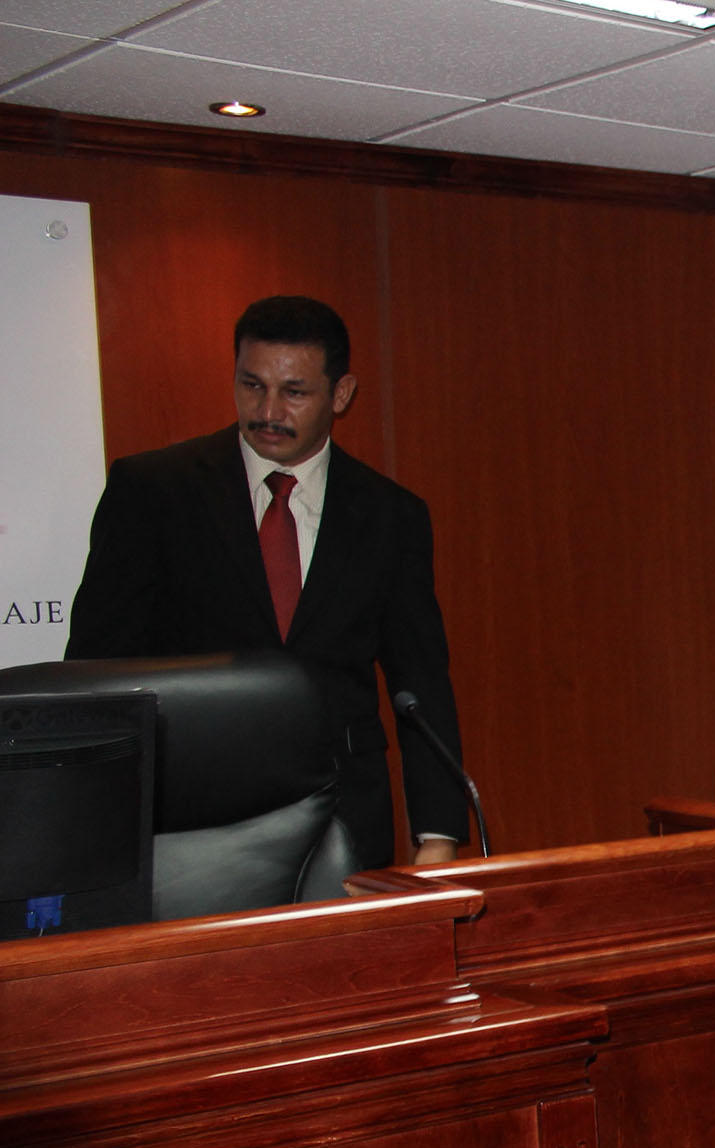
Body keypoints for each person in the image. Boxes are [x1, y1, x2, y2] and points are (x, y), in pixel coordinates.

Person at [67, 295, 466, 869]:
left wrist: (438, 833)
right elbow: (95, 670)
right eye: (252, 385)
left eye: (294, 392)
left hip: (345, 816)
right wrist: (94, 823)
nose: (268, 410)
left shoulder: (390, 514)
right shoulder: (154, 492)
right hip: (193, 822)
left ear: (342, 394)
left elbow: (420, 681)